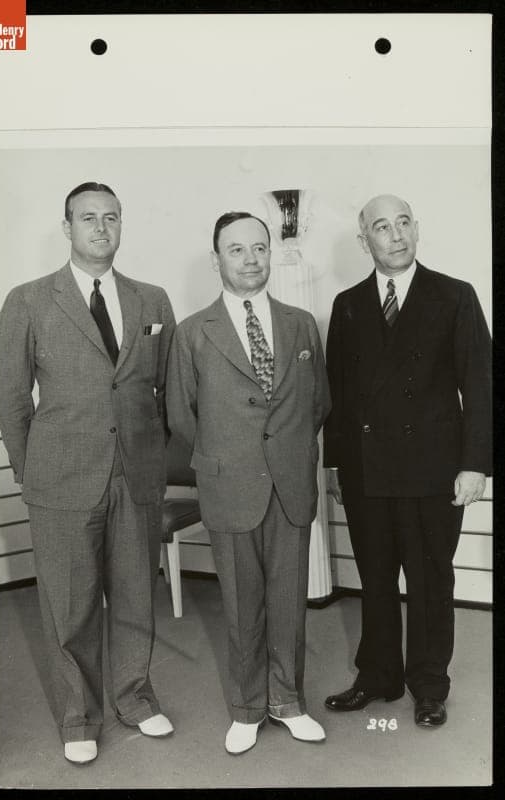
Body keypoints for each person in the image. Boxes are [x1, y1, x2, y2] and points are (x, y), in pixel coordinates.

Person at [0, 182, 177, 763]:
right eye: (88, 218)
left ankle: (135, 699)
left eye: (112, 217)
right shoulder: (28, 300)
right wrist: (31, 470)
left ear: (122, 226)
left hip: (135, 477)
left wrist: (151, 460)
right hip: (60, 479)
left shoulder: (152, 299)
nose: (101, 227)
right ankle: (79, 717)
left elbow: (165, 391)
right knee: (69, 606)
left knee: (134, 597)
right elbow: (11, 396)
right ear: (66, 227)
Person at [323, 194, 492, 727]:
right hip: (368, 472)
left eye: (402, 224)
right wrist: (334, 467)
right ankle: (377, 677)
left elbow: (481, 387)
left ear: (416, 229)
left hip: (435, 470)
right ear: (364, 240)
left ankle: (428, 685)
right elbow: (339, 396)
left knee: (429, 580)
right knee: (375, 579)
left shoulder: (454, 295)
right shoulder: (348, 304)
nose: (394, 235)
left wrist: (476, 464)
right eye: (381, 226)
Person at [166, 211, 330, 754]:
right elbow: (181, 416)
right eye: (236, 250)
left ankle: (289, 701)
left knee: (288, 602)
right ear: (217, 260)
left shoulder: (301, 323)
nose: (251, 259)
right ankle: (246, 708)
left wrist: (284, 451)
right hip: (228, 485)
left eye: (259, 248)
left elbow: (318, 403)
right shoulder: (192, 333)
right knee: (241, 604)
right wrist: (229, 454)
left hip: (290, 486)